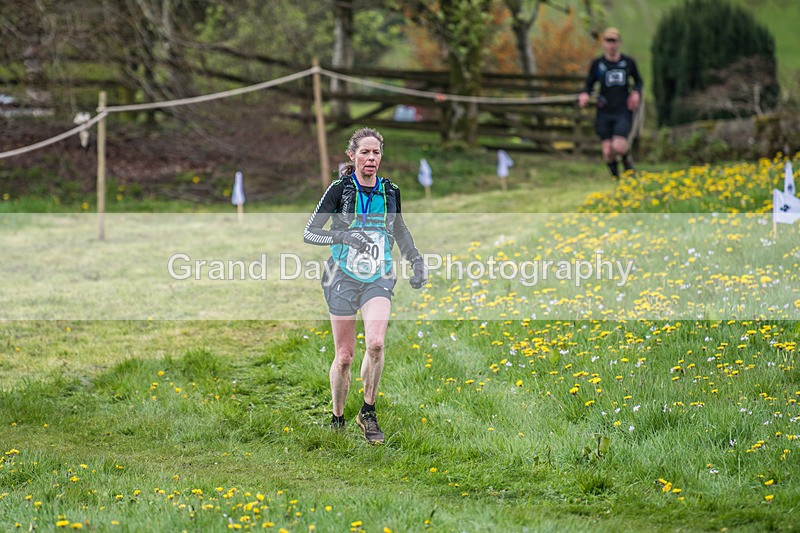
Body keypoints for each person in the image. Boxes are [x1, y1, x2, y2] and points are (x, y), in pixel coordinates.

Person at [303, 127, 427, 444]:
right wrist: (343, 236)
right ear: (353, 156)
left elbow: (399, 229)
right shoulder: (339, 189)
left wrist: (415, 259)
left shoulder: (390, 191)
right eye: (364, 153)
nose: (371, 158)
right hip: (341, 276)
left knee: (375, 344)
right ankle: (337, 417)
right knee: (344, 357)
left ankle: (368, 412)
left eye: (376, 153)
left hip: (378, 275)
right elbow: (310, 233)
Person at [578, 27, 643, 179]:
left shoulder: (628, 62)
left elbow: (638, 81)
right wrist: (585, 94)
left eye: (614, 41)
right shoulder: (598, 64)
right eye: (608, 41)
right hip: (604, 110)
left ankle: (627, 164)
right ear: (603, 43)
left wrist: (636, 92)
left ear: (619, 43)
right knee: (607, 152)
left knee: (618, 147)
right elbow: (589, 84)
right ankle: (617, 179)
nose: (611, 45)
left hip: (622, 110)